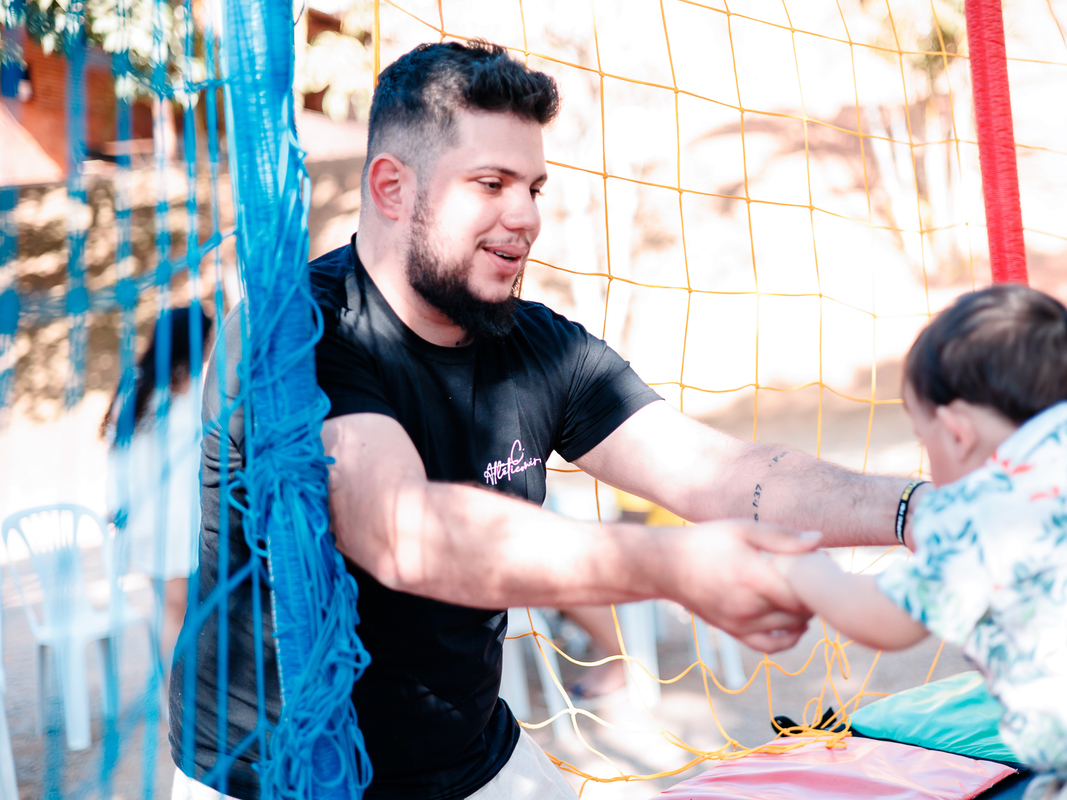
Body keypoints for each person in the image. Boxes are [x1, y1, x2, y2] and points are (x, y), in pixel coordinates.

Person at [170, 40, 930, 800]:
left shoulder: (537, 344)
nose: (526, 215)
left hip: (470, 757)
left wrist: (919, 510)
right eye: (491, 183)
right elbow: (405, 533)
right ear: (392, 188)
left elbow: (721, 474)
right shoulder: (294, 337)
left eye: (533, 187)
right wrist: (676, 566)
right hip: (277, 778)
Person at [775, 285, 1067, 800]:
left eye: (924, 440)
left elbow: (885, 619)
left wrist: (802, 570)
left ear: (956, 433)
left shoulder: (987, 507)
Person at [103, 306, 212, 665]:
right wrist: (117, 505)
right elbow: (117, 454)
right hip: (166, 519)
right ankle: (174, 693)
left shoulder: (178, 384)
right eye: (207, 338)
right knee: (176, 611)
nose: (211, 345)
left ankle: (179, 690)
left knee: (178, 610)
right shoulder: (150, 386)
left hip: (170, 517)